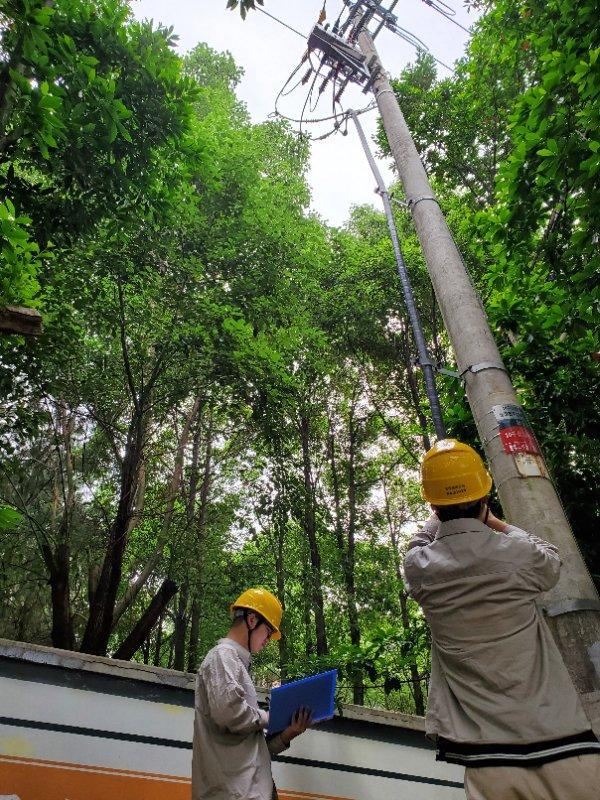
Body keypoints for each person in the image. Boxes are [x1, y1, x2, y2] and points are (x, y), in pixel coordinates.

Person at [403, 438, 600, 800]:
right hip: (564, 745)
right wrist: (494, 521)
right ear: (484, 497)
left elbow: (416, 544)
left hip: (487, 759)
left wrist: (441, 518)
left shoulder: (421, 569)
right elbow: (550, 558)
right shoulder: (517, 556)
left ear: (432, 504)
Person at [192, 587, 311, 800]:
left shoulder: (235, 663)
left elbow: (251, 749)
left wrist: (287, 734)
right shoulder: (222, 658)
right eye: (268, 631)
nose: (268, 640)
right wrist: (271, 717)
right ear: (252, 619)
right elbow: (228, 713)